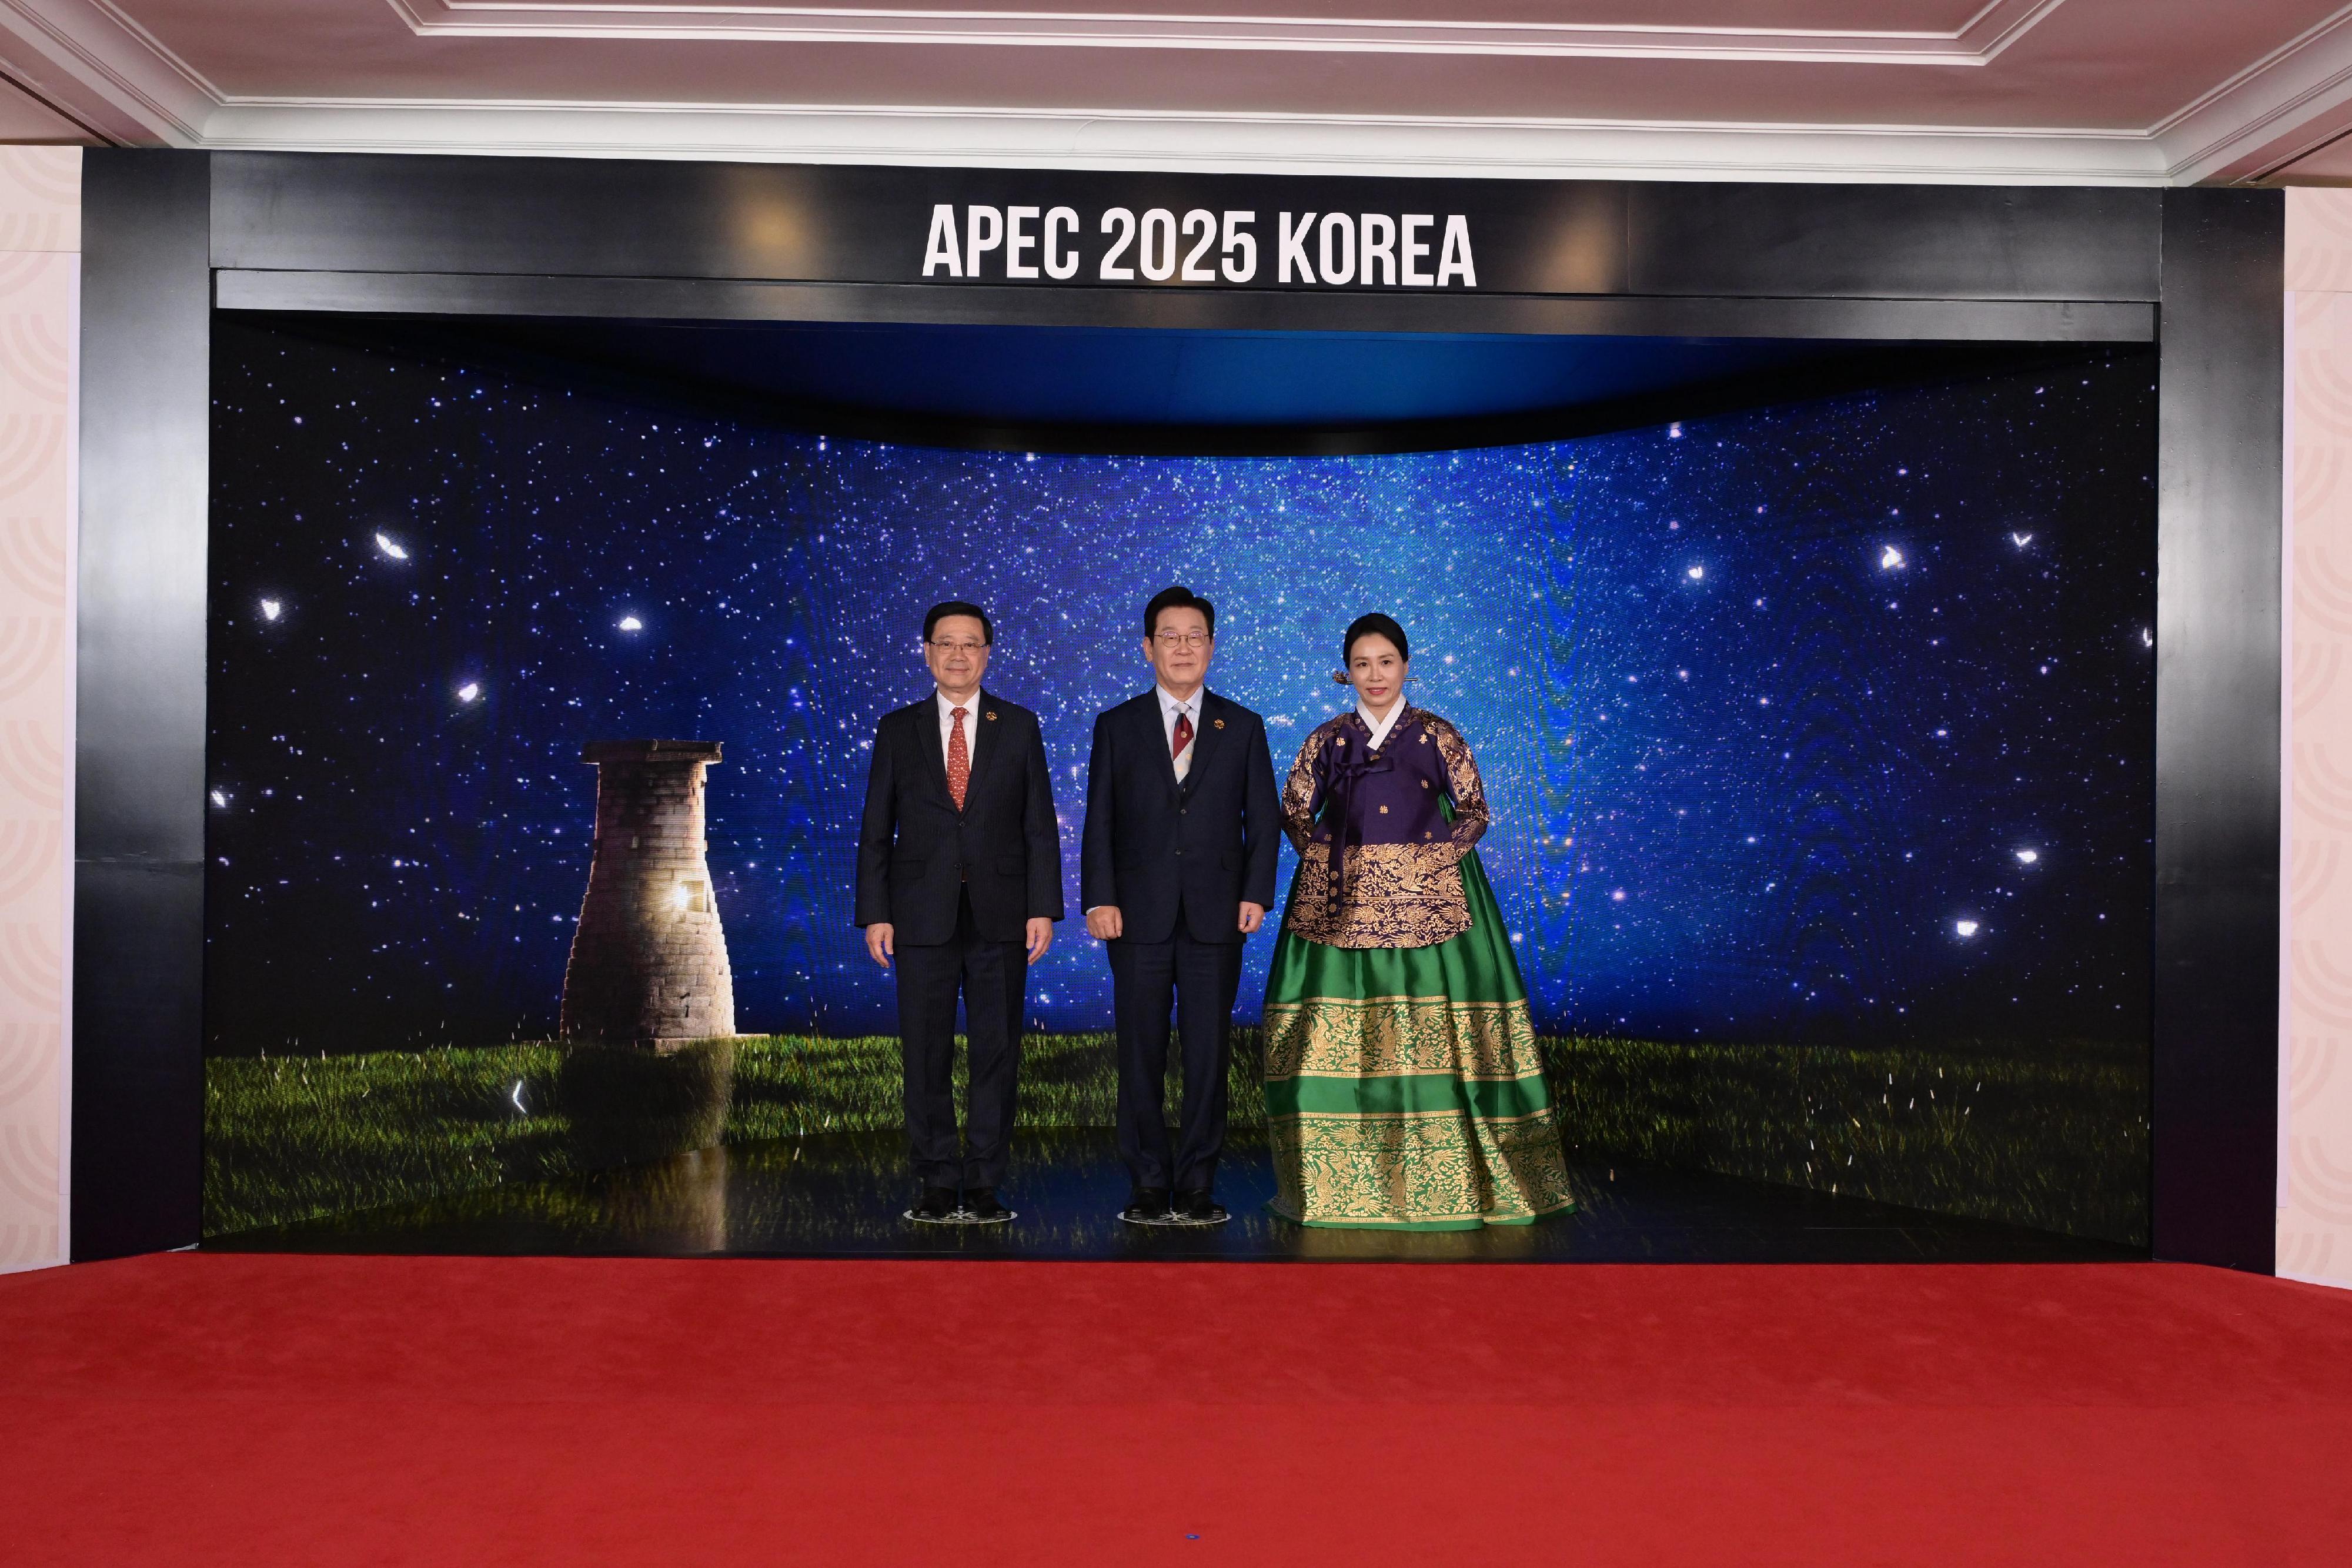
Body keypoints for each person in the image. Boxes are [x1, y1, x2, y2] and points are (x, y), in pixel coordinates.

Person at [1261, 613, 1575, 1230]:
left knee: (1448, 1040)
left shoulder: (1437, 736)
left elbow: (1475, 810)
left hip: (1431, 900)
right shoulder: (1327, 739)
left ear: (1405, 665)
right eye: (1361, 664)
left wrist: (1427, 864)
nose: (1374, 675)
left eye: (1385, 662)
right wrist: (1327, 860)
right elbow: (1295, 808)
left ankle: (1453, 1184)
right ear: (1345, 671)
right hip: (1340, 904)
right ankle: (1339, 1188)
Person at [855, 600, 1063, 1225]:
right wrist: (875, 912)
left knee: (996, 1053)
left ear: (987, 654)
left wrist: (1043, 908)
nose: (957, 655)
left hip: (1002, 914)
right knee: (925, 1054)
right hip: (918, 915)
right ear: (925, 652)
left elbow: (1038, 828)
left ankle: (985, 1183)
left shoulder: (1019, 725)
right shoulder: (899, 729)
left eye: (971, 644)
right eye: (945, 643)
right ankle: (937, 1182)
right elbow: (875, 830)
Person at [1081, 586, 1281, 1226]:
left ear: (1212, 647)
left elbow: (1265, 821)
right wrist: (1099, 899)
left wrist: (1254, 893)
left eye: (1195, 636)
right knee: (1139, 1052)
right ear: (1147, 648)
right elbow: (1099, 822)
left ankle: (1196, 1184)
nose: (1183, 647)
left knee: (1207, 1054)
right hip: (1134, 917)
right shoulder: (1116, 726)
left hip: (1216, 916)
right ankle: (1146, 1183)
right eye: (1170, 636)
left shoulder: (1243, 726)